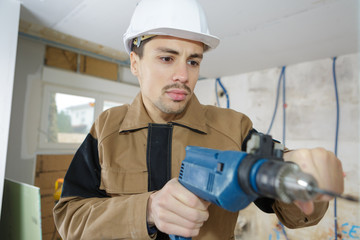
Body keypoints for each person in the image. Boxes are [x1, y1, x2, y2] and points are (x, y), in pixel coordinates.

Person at [53, 0, 344, 239]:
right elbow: (69, 219)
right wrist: (147, 210)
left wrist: (298, 170)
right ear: (135, 63)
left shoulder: (235, 128)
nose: (184, 75)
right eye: (167, 58)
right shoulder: (106, 128)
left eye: (193, 61)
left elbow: (283, 185)